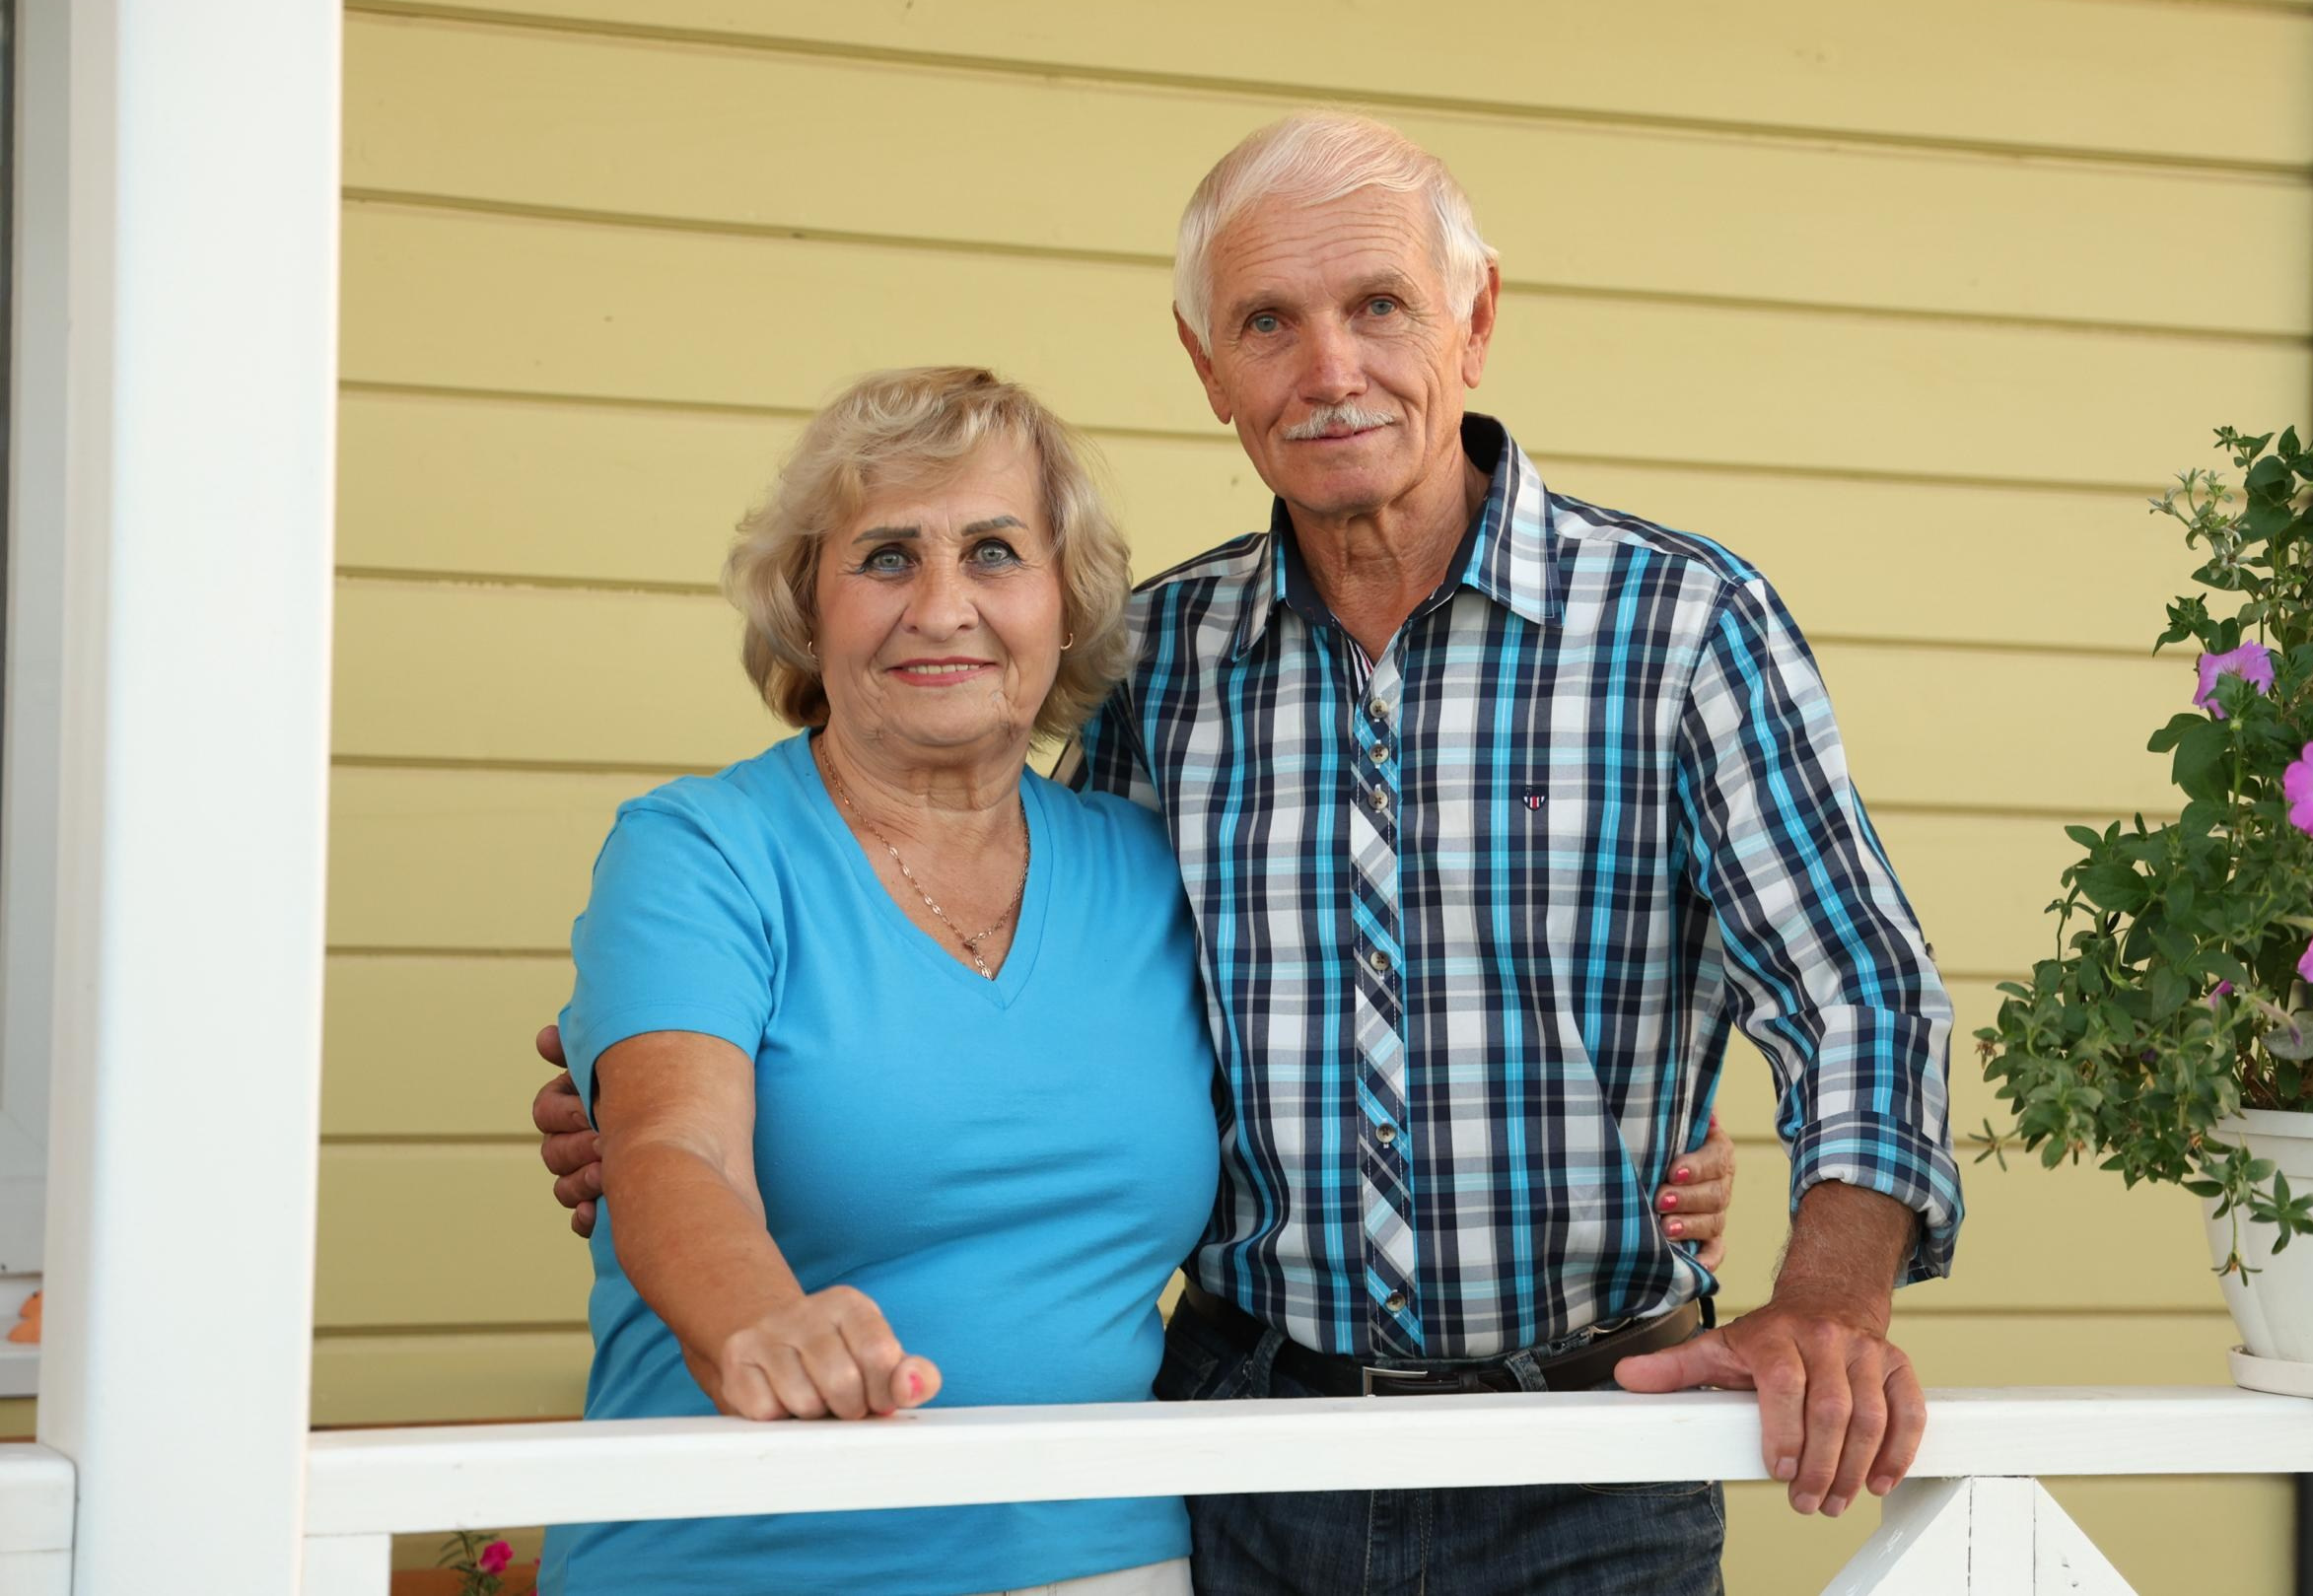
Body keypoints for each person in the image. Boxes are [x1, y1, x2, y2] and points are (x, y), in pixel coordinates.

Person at [544, 110, 1949, 1596]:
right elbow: (954, 1006)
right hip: (1244, 1460)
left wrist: (1824, 1295)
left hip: (1591, 1453)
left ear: (1476, 320)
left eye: (1379, 307)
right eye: (1267, 322)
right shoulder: (1160, 664)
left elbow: (1861, 983)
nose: (1328, 368)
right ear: (1207, 367)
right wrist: (636, 1105)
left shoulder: (1681, 626)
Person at [535, 368, 1226, 1596]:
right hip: (742, 1559)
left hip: (1104, 1561)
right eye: (888, 558)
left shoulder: (1149, 871)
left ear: (1065, 605)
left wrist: (1644, 1165)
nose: (943, 606)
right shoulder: (701, 851)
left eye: (996, 552)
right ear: (808, 606)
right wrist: (762, 1317)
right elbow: (669, 1152)